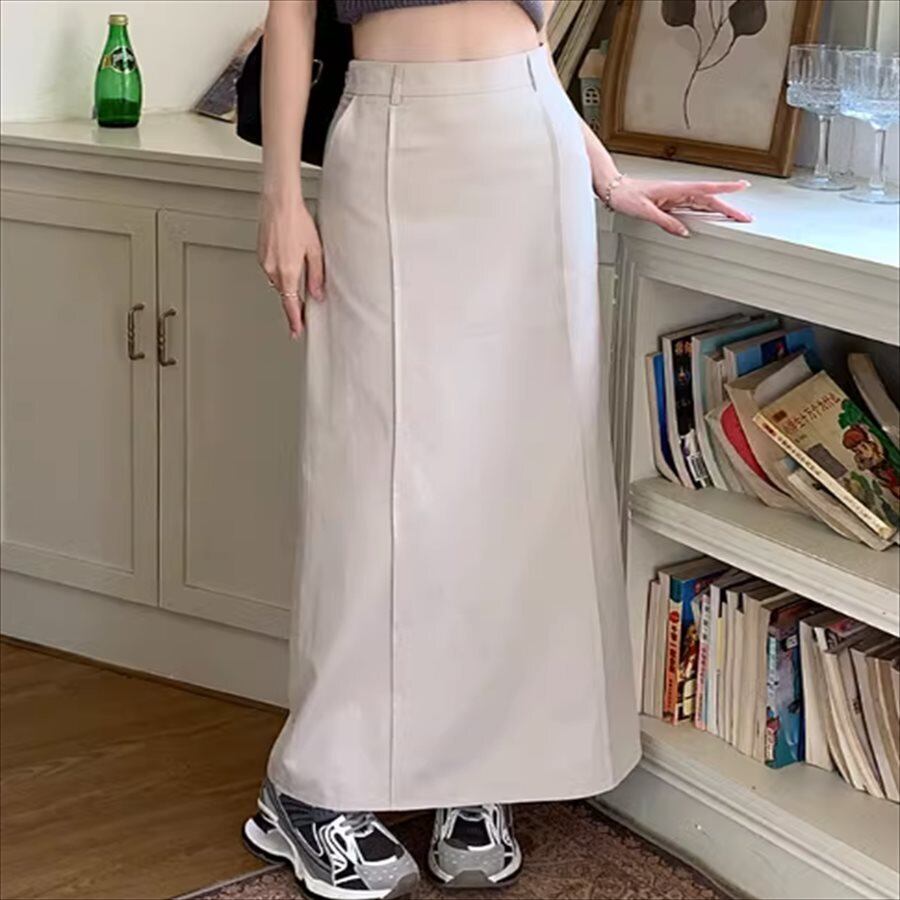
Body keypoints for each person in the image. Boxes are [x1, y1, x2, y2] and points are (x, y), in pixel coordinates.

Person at [248, 1, 752, 898]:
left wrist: (606, 175)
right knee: (373, 469)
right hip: (392, 134)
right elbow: (291, 14)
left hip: (529, 142)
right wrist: (281, 197)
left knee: (515, 476)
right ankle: (310, 786)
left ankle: (476, 766)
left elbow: (532, 48)